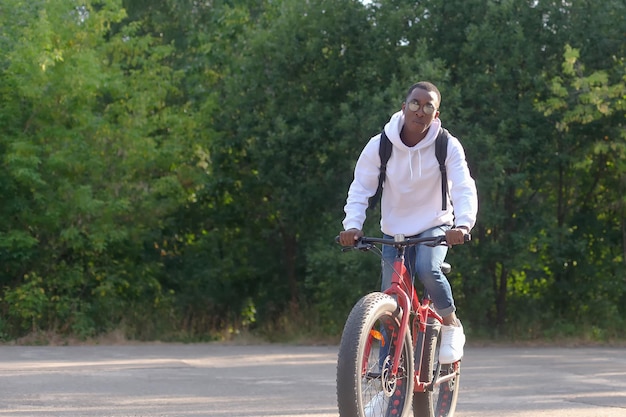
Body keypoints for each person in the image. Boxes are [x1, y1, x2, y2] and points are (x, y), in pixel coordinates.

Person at [339, 81, 478, 364]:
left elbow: (463, 186)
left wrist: (463, 226)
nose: (420, 111)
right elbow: (360, 188)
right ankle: (390, 374)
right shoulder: (381, 144)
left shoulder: (446, 145)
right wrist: (352, 225)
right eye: (415, 104)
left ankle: (451, 323)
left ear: (435, 115)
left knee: (428, 267)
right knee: (391, 302)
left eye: (429, 107)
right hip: (395, 229)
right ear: (404, 107)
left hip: (435, 225)